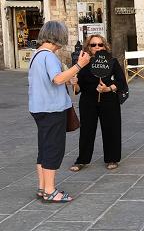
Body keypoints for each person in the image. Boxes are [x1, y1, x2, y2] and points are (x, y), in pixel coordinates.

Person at [29, 20, 90, 203]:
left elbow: (50, 80)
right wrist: (79, 65)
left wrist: (68, 78)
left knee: (44, 148)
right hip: (52, 109)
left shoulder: (36, 55)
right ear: (59, 36)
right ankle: (50, 190)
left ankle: (42, 187)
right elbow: (56, 79)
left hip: (39, 108)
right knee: (53, 149)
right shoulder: (49, 56)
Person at [69, 35, 127, 172]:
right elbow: (78, 89)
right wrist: (74, 83)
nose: (97, 47)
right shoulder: (83, 63)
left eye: (100, 45)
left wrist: (107, 88)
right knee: (86, 130)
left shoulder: (112, 61)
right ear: (88, 47)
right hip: (88, 100)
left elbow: (121, 82)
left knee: (111, 129)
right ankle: (82, 159)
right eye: (93, 45)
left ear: (105, 46)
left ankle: (112, 158)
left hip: (109, 100)